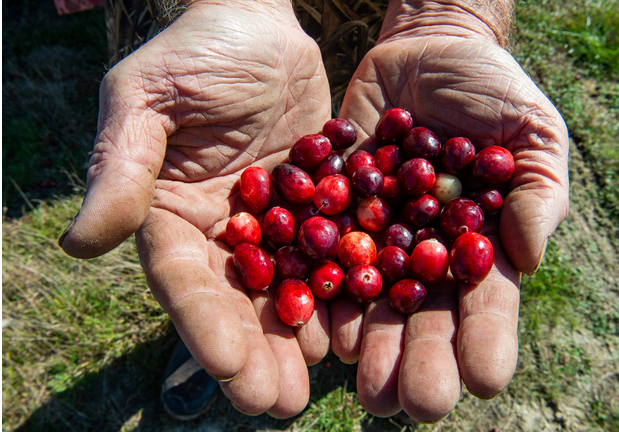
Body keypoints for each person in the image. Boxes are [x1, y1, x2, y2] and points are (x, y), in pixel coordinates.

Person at [58, 0, 569, 423]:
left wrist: (449, 16)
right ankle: (212, 341)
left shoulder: (391, 193)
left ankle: (346, 350)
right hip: (252, 69)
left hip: (390, 50)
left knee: (364, 331)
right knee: (215, 291)